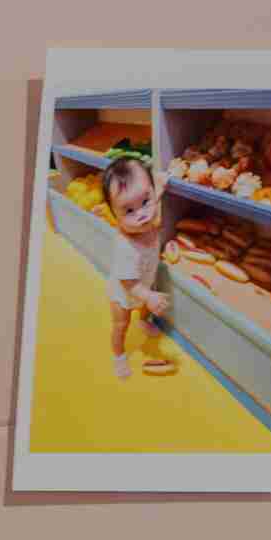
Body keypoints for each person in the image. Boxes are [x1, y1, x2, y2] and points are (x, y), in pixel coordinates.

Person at [95, 153, 178, 378]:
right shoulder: (126, 248)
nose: (142, 215)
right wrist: (148, 296)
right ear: (115, 215)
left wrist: (159, 187)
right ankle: (119, 356)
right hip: (124, 293)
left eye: (145, 201)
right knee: (121, 325)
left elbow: (154, 201)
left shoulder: (149, 217)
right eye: (128, 211)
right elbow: (129, 283)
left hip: (145, 283)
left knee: (143, 309)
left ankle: (143, 321)